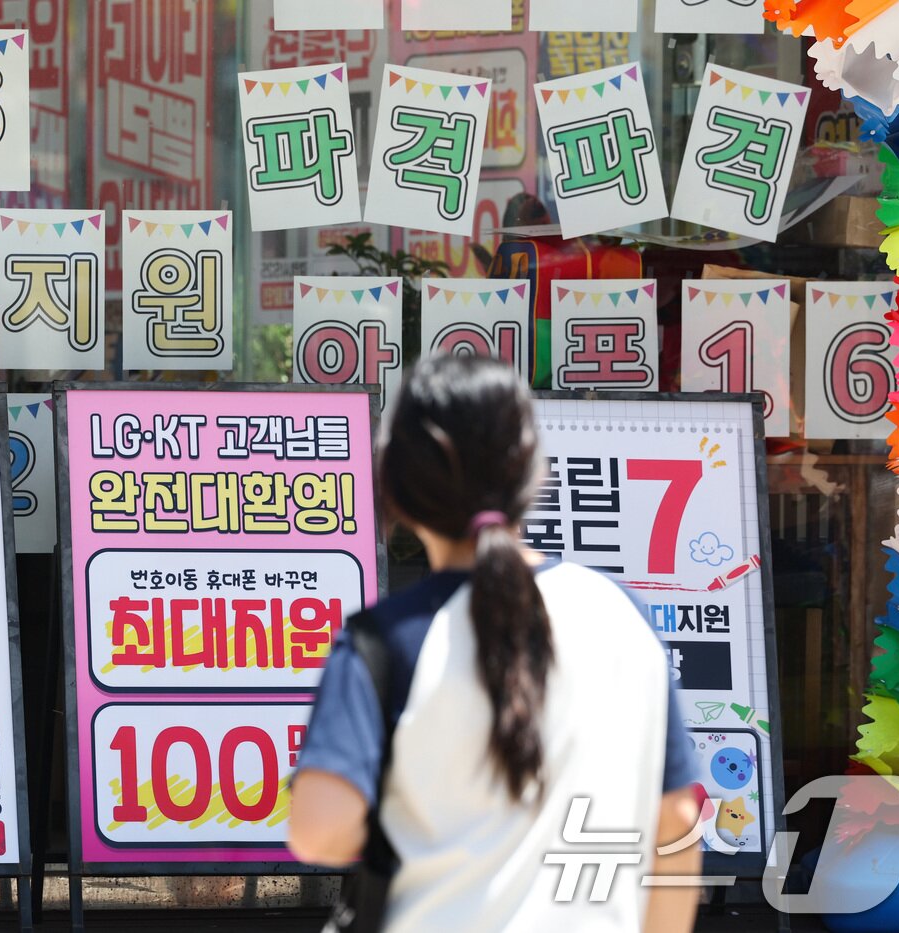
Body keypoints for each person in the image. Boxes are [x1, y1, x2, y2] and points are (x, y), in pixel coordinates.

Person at [288, 354, 702, 932]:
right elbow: (678, 820)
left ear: (398, 486)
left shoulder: (382, 643)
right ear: (532, 473)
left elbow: (320, 830)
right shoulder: (622, 615)